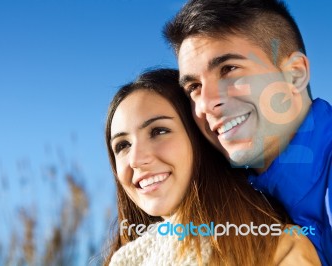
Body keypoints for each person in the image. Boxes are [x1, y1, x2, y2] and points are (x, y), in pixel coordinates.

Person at [163, 0, 332, 264]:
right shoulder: (216, 201)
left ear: (295, 75)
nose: (206, 104)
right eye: (194, 87)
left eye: (229, 69)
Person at [103, 68, 319, 265]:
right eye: (122, 145)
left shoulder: (277, 246)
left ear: (201, 136)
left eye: (159, 131)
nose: (136, 159)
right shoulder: (124, 261)